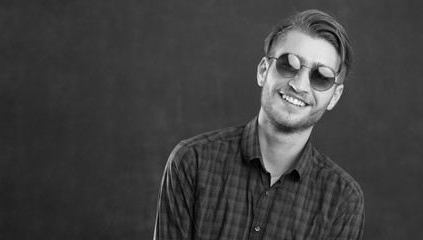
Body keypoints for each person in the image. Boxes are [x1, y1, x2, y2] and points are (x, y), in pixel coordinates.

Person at [154, 9, 365, 240]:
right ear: (263, 71)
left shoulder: (343, 200)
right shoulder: (191, 162)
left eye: (321, 77)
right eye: (289, 64)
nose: (299, 85)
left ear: (334, 96)